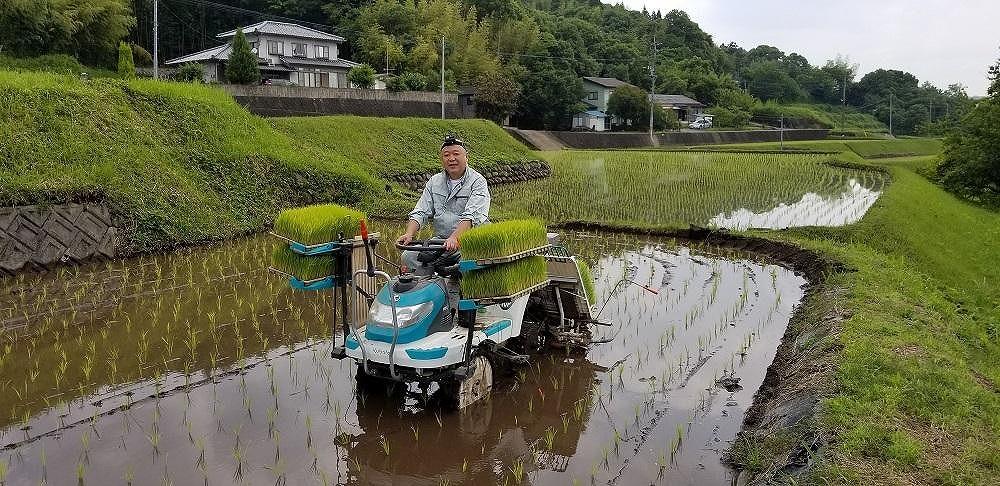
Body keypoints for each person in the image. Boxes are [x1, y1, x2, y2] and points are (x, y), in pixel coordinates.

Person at [397, 135, 490, 275]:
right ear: (442, 160)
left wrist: (455, 238)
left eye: (456, 154)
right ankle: (435, 286)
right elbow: (420, 211)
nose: (451, 158)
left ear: (466, 157)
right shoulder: (434, 182)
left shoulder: (477, 181)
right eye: (446, 155)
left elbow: (471, 216)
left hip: (469, 242)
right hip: (441, 242)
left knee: (469, 265)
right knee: (408, 257)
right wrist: (409, 234)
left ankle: (462, 287)